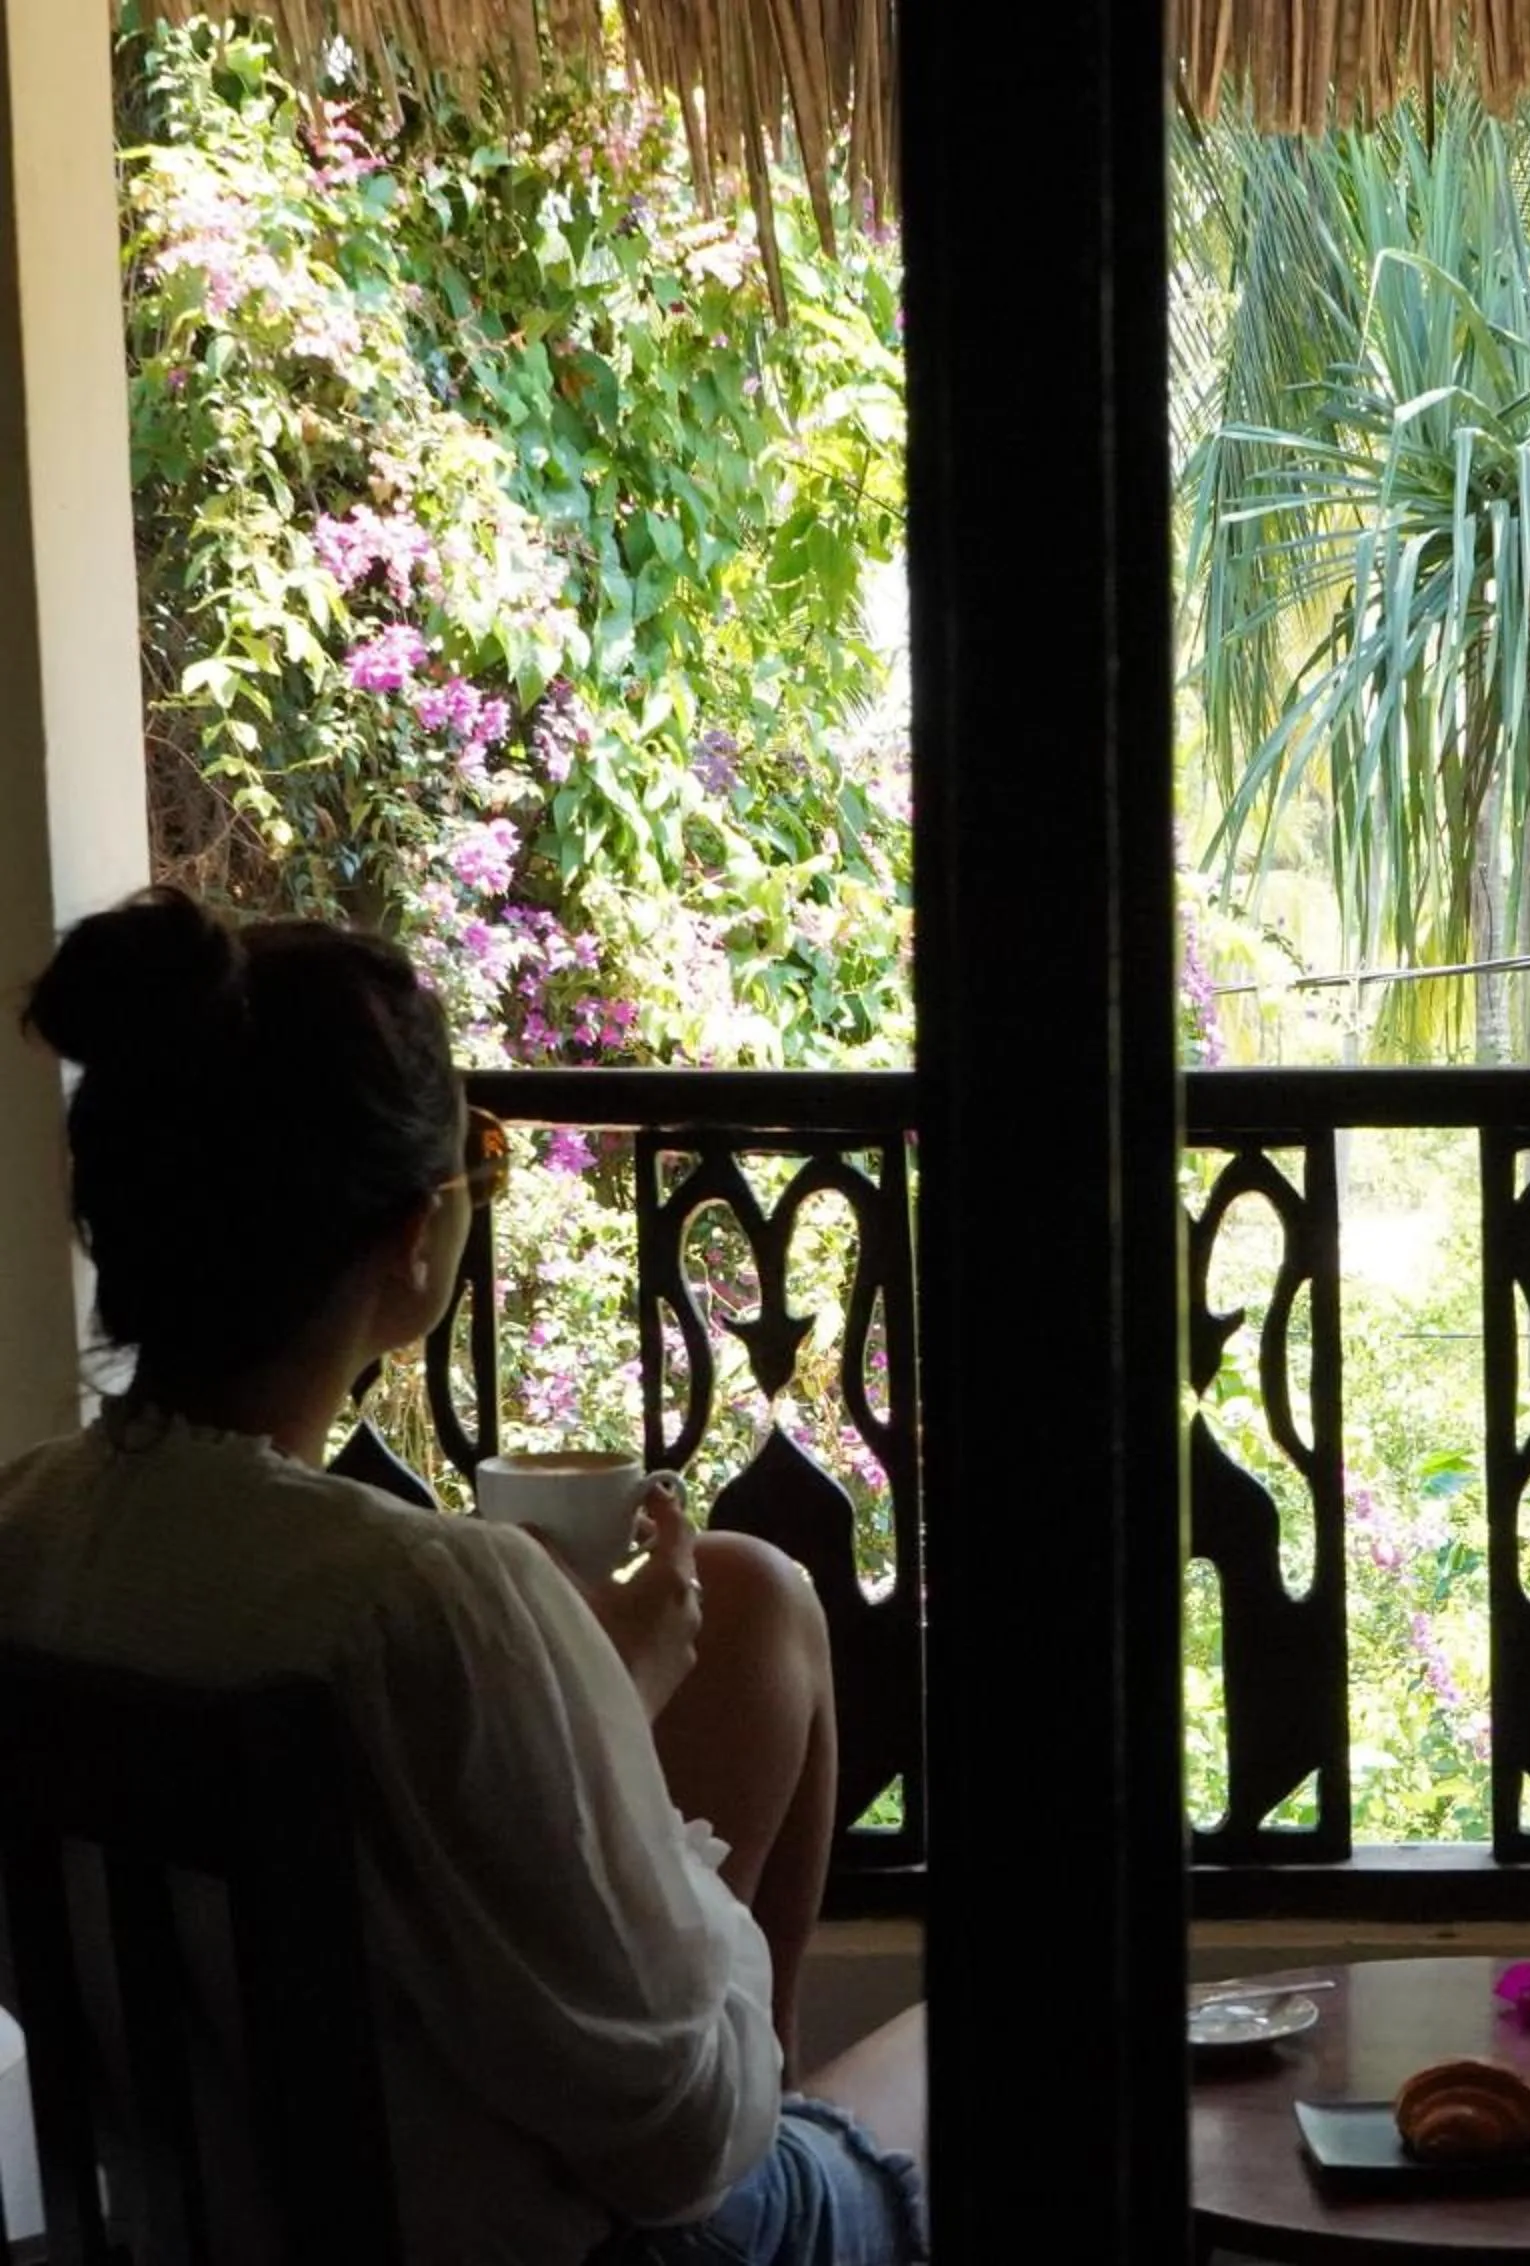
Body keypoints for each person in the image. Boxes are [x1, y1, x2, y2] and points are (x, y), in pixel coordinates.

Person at [0, 887, 927, 2266]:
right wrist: (608, 1727)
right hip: (541, 2238)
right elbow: (684, 2135)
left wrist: (603, 1693)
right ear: (412, 1241)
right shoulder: (427, 1602)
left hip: (196, 2230)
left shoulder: (27, 1529)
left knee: (754, 1593)